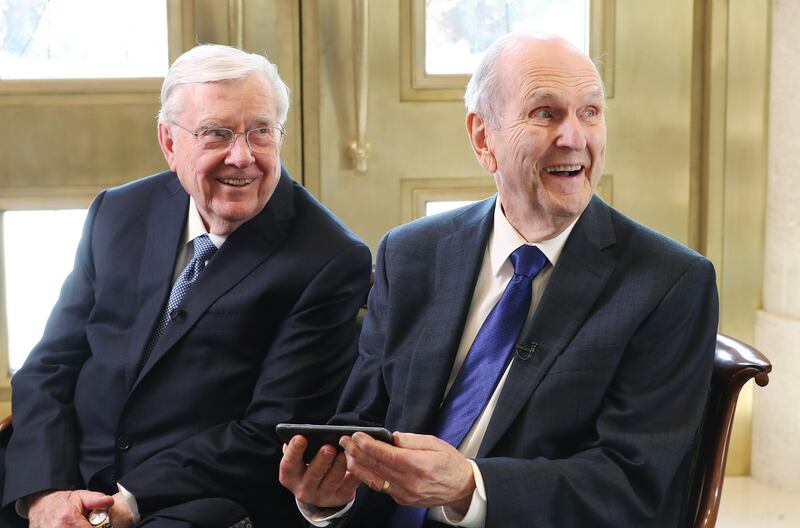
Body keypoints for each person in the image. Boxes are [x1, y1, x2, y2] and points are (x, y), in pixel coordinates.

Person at [279, 33, 719, 527]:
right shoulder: (411, 253)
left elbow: (636, 487)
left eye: (590, 112)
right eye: (546, 113)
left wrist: (472, 487)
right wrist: (330, 496)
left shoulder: (669, 283)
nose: (575, 137)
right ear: (483, 138)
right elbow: (360, 424)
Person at [0, 44, 372, 528]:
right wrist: (45, 494)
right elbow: (51, 364)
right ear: (170, 142)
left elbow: (268, 434)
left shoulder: (329, 258)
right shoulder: (118, 212)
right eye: (217, 134)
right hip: (59, 477)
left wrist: (122, 505)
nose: (242, 157)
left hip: (189, 503)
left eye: (261, 131)